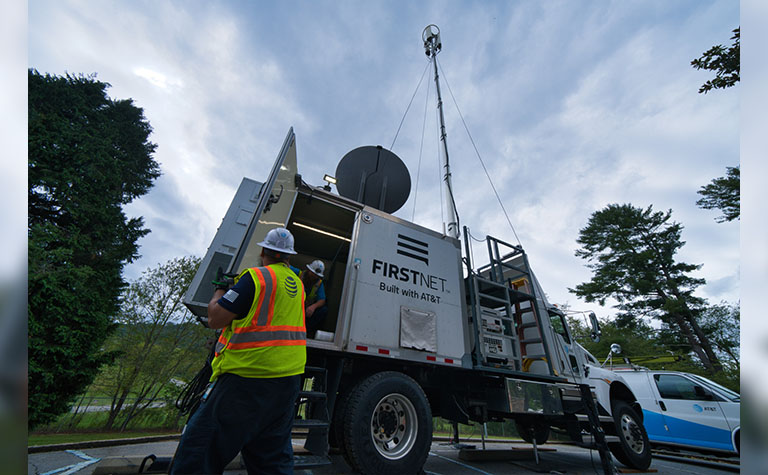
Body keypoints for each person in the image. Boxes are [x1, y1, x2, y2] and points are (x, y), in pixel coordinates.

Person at [170, 227, 306, 475]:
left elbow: (215, 318)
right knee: (271, 459)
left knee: (198, 453)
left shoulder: (255, 277)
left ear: (264, 250)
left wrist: (221, 289)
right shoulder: (297, 285)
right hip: (287, 382)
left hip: (247, 379)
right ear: (288, 257)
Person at [295, 260, 327, 339]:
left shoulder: (318, 283)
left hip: (306, 310)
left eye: (317, 275)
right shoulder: (298, 273)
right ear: (309, 270)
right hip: (294, 306)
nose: (314, 277)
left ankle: (307, 330)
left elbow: (322, 300)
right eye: (313, 274)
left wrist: (313, 307)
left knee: (323, 310)